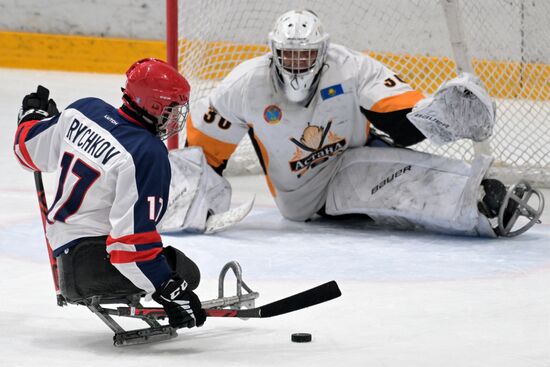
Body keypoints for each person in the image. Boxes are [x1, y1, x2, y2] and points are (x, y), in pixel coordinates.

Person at [186, 9, 544, 237]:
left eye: (305, 54)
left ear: (323, 51)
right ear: (273, 52)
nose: (297, 64)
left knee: (386, 170)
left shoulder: (350, 67)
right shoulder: (244, 85)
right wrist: (194, 204)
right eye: (289, 55)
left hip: (352, 161)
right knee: (389, 173)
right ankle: (478, 202)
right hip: (302, 198)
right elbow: (205, 154)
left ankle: (475, 202)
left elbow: (400, 122)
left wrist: (438, 114)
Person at [13, 58, 207, 329]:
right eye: (172, 109)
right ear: (154, 105)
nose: (175, 118)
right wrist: (170, 290)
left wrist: (32, 118)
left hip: (65, 260)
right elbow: (130, 245)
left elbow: (26, 150)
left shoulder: (84, 110)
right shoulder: (146, 152)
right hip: (95, 267)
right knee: (186, 271)